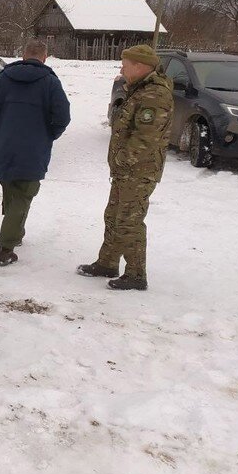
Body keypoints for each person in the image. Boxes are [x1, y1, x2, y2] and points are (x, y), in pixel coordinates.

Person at [77, 44, 173, 291]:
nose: (121, 68)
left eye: (125, 65)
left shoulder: (154, 96)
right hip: (126, 170)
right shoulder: (139, 89)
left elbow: (145, 138)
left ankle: (135, 275)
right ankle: (108, 263)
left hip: (139, 171)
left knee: (129, 221)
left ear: (140, 67)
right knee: (113, 216)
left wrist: (121, 159)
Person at [0, 40, 71, 266]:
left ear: (23, 55)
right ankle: (6, 248)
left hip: (4, 145)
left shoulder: (4, 78)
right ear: (45, 57)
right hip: (33, 148)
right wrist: (48, 135)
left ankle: (15, 232)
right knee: (23, 195)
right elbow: (62, 117)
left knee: (12, 190)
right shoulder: (50, 82)